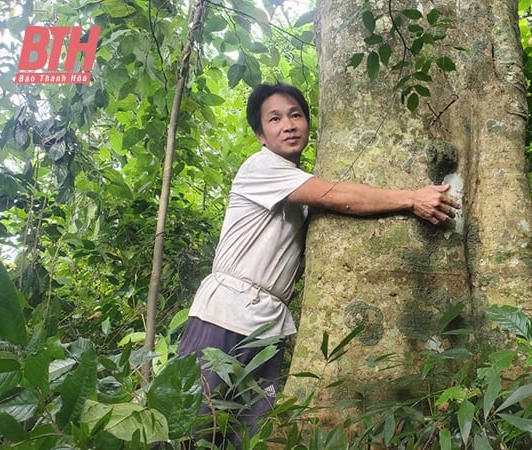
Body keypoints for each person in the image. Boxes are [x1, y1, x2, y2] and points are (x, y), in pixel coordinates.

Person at [177, 82, 459, 446]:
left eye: (296, 115)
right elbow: (338, 196)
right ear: (260, 135)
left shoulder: (297, 182)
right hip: (225, 313)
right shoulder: (262, 167)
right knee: (192, 424)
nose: (289, 125)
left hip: (267, 324)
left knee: (246, 432)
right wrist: (411, 198)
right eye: (275, 119)